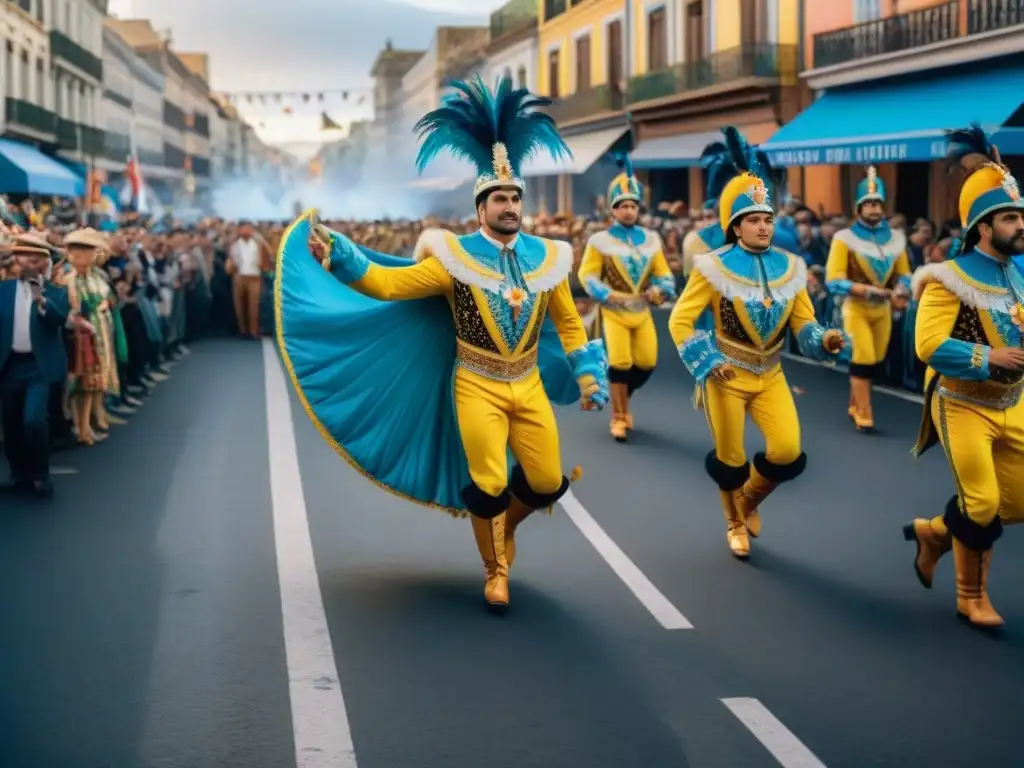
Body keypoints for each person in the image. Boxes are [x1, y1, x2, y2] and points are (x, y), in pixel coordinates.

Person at [275, 76, 610, 611]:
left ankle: (505, 528)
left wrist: (588, 374)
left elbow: (569, 323)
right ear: (481, 207)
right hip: (475, 383)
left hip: (526, 382)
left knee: (546, 480)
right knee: (487, 482)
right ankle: (495, 568)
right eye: (498, 198)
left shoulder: (550, 258)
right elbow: (389, 284)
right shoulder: (455, 261)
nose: (509, 205)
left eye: (514, 197)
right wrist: (339, 254)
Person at [668, 134, 848, 558]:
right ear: (735, 224)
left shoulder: (792, 267)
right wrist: (707, 360)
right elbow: (681, 319)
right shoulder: (711, 267)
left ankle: (748, 501)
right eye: (753, 219)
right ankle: (734, 523)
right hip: (725, 374)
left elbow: (804, 325)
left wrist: (826, 339)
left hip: (771, 374)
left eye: (767, 217)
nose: (764, 225)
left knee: (787, 451)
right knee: (730, 458)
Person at [904, 124, 1024, 629]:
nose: (1021, 226)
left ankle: (933, 532)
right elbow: (927, 344)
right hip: (961, 401)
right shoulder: (946, 279)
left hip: (1014, 403)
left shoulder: (1020, 274)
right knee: (981, 504)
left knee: (1014, 501)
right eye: (1011, 218)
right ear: (982, 226)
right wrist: (987, 358)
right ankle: (970, 597)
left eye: (1021, 216)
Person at [577, 154, 676, 441]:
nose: (629, 211)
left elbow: (664, 274)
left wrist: (661, 290)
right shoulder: (599, 241)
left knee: (646, 362)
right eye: (623, 206)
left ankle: (621, 396)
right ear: (613, 210)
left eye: (633, 205)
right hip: (613, 310)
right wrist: (608, 294)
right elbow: (587, 275)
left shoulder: (651, 239)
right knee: (619, 362)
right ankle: (619, 416)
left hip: (641, 308)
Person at [825, 167, 912, 431]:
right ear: (858, 208)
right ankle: (864, 412)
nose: (874, 208)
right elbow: (833, 280)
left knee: (874, 360)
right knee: (861, 357)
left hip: (884, 308)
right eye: (869, 203)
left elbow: (904, 273)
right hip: (857, 307)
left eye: (878, 203)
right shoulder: (844, 239)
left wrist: (902, 288)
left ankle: (854, 403)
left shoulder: (896, 239)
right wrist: (867, 290)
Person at [0, 234, 77, 497]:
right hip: (10, 364)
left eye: (34, 259)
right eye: (22, 257)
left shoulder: (57, 292)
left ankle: (41, 474)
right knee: (10, 423)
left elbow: (59, 320)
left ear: (45, 263)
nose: (27, 263)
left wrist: (40, 299)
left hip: (39, 366)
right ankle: (18, 473)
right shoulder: (3, 289)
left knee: (34, 420)